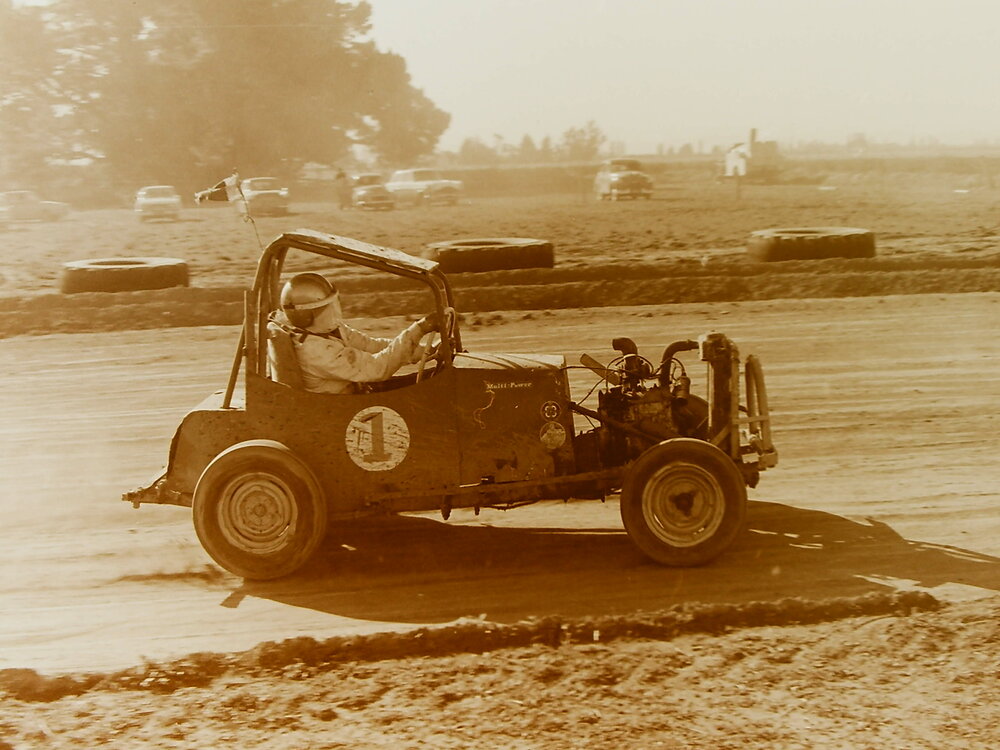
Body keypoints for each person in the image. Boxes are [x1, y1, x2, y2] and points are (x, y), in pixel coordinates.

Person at [273, 272, 440, 394]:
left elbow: (372, 346)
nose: (334, 312)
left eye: (333, 305)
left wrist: (428, 351)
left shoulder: (328, 331)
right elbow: (377, 368)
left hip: (359, 393)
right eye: (325, 309)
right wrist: (420, 328)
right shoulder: (314, 350)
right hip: (341, 410)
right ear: (305, 315)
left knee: (434, 379)